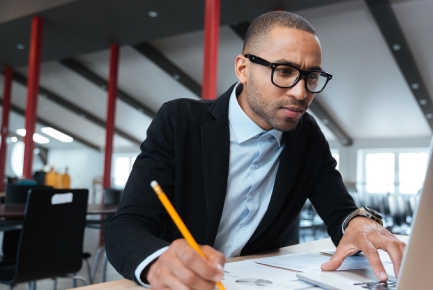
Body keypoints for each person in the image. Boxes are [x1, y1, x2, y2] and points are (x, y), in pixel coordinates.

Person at [106, 11, 405, 290]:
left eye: (312, 76)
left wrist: (358, 222)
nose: (300, 93)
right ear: (243, 69)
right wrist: (158, 262)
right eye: (284, 70)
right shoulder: (179, 121)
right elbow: (126, 226)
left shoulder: (307, 136)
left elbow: (340, 211)